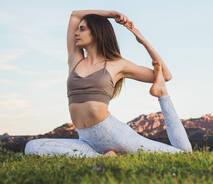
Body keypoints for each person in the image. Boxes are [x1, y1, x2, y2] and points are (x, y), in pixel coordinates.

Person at [24, 10, 192, 158]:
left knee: (183, 154)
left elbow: (166, 75)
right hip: (86, 138)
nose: (76, 33)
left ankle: (162, 94)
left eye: (82, 29)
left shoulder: (117, 64)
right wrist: (111, 13)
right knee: (31, 147)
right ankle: (99, 157)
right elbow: (75, 15)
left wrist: (142, 41)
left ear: (96, 33)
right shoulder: (75, 60)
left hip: (113, 134)